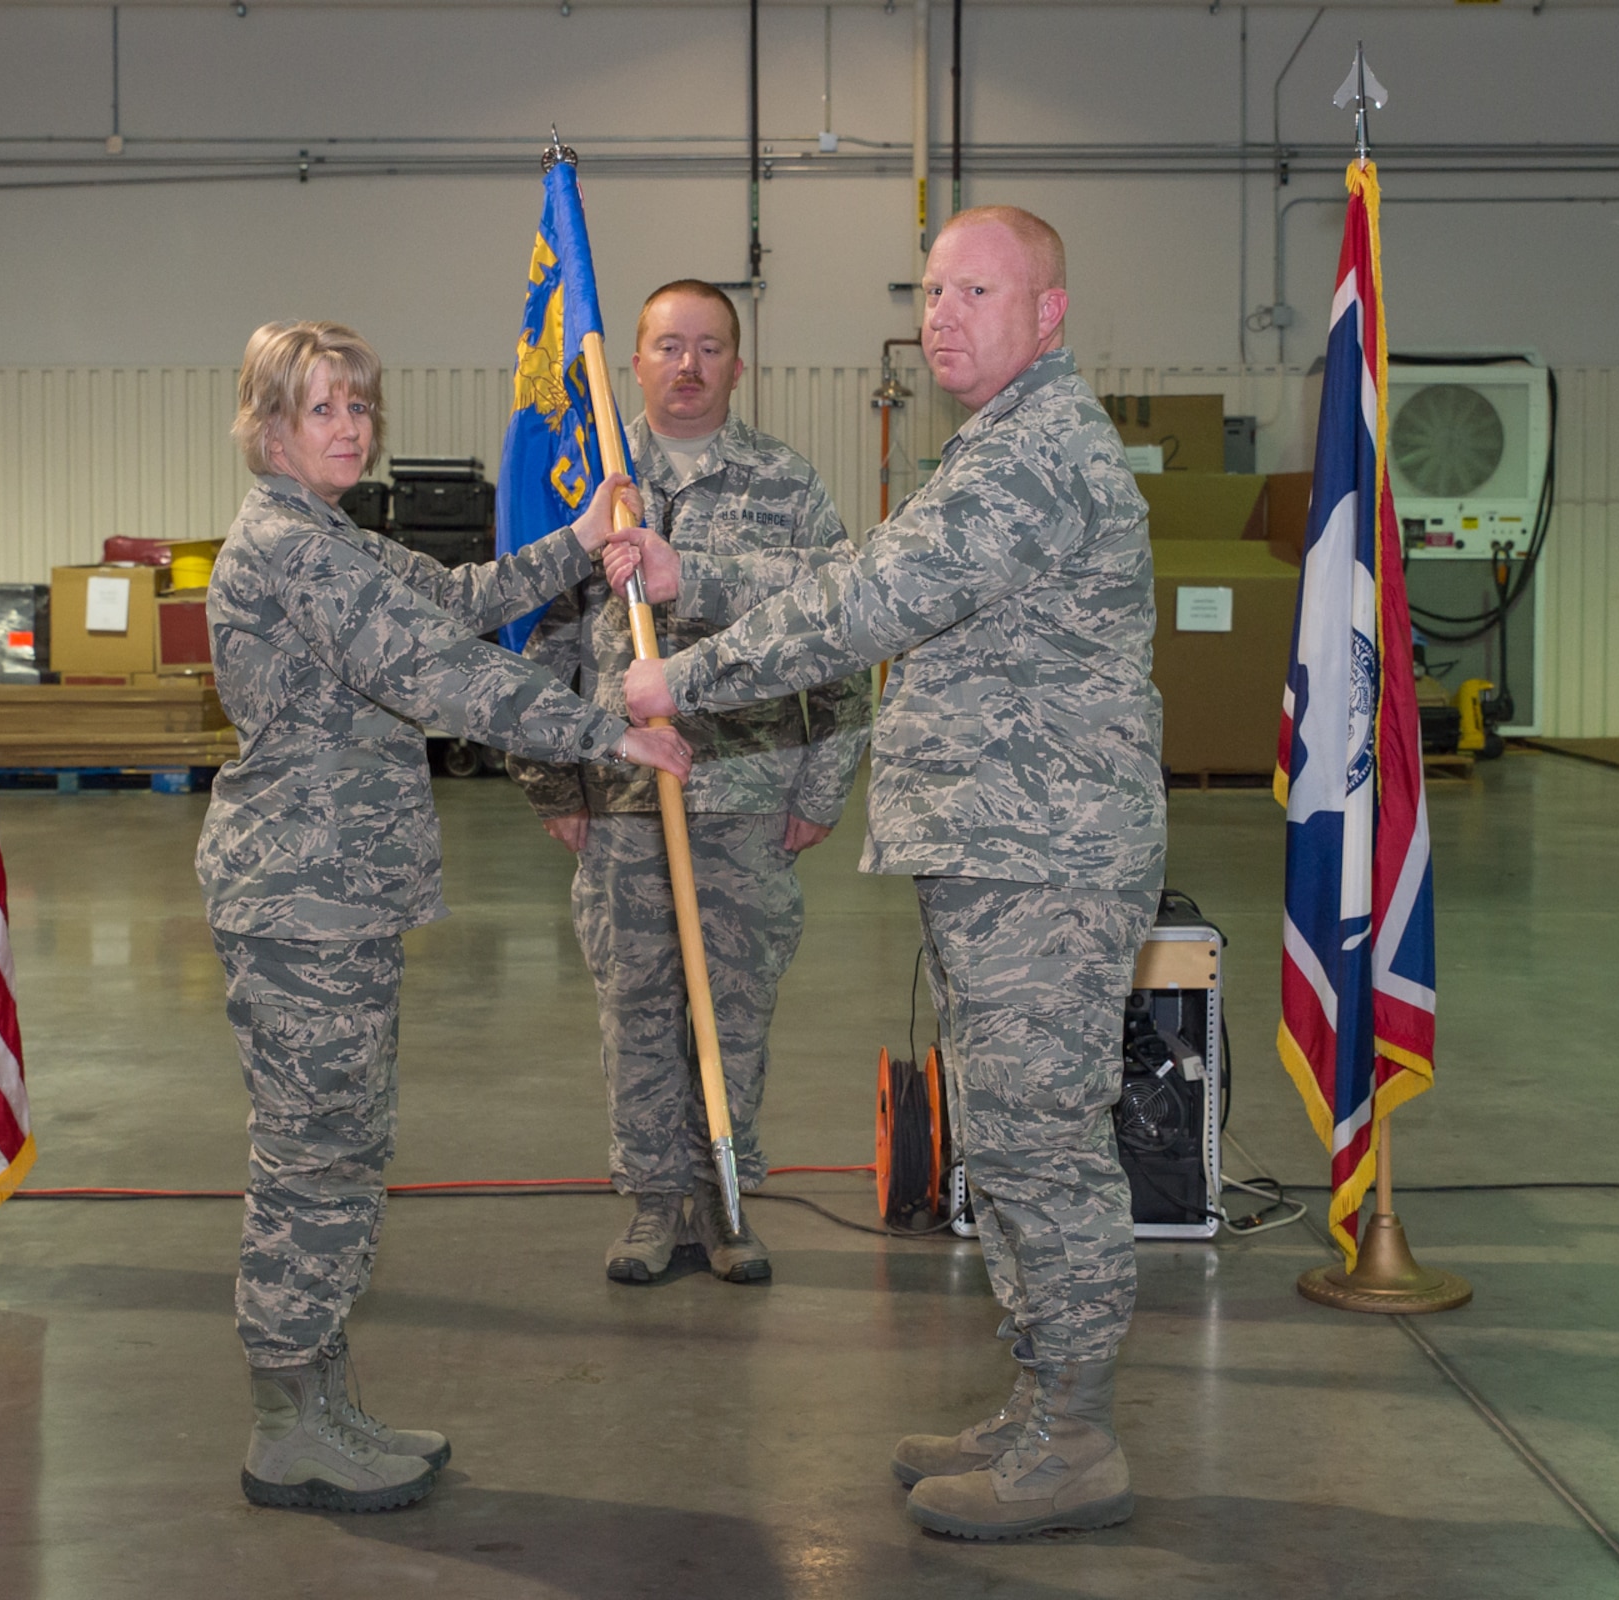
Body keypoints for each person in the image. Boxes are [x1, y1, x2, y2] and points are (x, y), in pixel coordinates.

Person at [625, 210, 1166, 1540]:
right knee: (1008, 1141)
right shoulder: (991, 446)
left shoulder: (1036, 454)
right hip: (1001, 849)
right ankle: (1041, 1402)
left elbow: (863, 606)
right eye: (931, 290)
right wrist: (691, 571)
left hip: (1043, 860)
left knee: (1043, 1151)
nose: (943, 315)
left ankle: (1078, 1437)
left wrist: (678, 678)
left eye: (978, 289)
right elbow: (857, 569)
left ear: (1049, 314)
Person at [197, 320, 691, 1516]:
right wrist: (604, 732)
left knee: (344, 1148)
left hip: (337, 892)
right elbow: (434, 672)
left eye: (359, 407)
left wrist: (575, 543)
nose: (349, 428)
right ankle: (286, 1422)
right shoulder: (287, 549)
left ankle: (320, 1398)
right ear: (268, 428)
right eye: (321, 409)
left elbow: (461, 600)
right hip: (301, 896)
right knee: (315, 1158)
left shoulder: (334, 538)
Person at [506, 281, 871, 1286]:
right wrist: (553, 782)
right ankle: (651, 1202)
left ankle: (725, 1198)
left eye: (710, 348)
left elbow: (840, 633)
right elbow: (533, 643)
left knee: (736, 1003)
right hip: (621, 800)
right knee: (636, 1002)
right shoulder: (588, 485)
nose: (688, 365)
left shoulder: (786, 485)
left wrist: (819, 784)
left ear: (737, 367)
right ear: (633, 361)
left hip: (748, 790)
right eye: (668, 346)